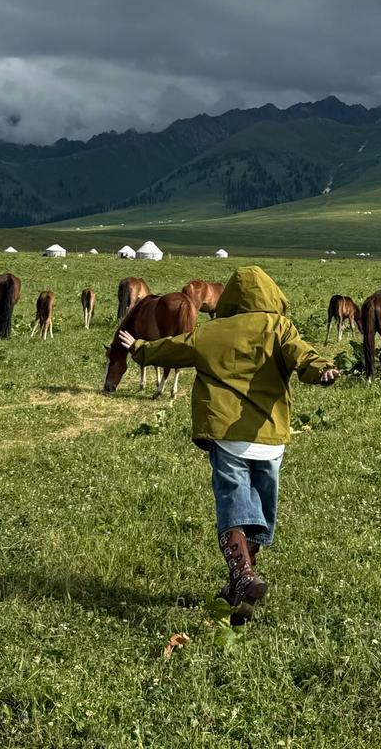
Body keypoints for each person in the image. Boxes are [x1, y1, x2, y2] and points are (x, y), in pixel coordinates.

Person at [118, 265, 339, 619]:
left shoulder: (212, 331)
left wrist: (140, 348)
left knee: (234, 507)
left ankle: (242, 575)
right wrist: (322, 369)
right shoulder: (279, 328)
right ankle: (240, 584)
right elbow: (304, 356)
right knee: (259, 515)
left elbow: (175, 348)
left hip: (226, 434)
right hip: (269, 438)